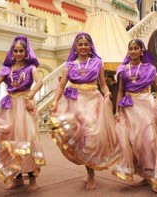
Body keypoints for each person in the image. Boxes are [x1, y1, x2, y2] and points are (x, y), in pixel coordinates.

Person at [49, 32, 120, 190]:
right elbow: (61, 86)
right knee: (79, 139)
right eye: (80, 44)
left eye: (85, 44)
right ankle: (89, 171)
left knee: (92, 136)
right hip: (74, 102)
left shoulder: (97, 63)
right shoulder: (70, 65)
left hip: (93, 101)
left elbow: (102, 84)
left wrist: (107, 92)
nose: (83, 47)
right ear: (76, 46)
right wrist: (54, 102)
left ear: (90, 46)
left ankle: (91, 173)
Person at [112, 39, 157, 193]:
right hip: (129, 107)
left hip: (146, 104)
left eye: (136, 48)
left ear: (142, 51)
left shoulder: (150, 69)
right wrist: (117, 111)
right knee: (133, 142)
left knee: (150, 140)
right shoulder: (122, 70)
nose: (133, 51)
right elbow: (120, 91)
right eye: (130, 48)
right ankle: (145, 176)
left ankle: (156, 177)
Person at [0, 35, 45, 192]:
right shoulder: (6, 69)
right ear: (12, 52)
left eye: (21, 51)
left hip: (25, 106)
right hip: (9, 107)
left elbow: (40, 82)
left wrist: (30, 95)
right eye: (16, 50)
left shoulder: (31, 68)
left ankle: (32, 178)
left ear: (26, 53)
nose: (18, 53)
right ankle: (17, 177)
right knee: (10, 140)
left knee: (27, 140)